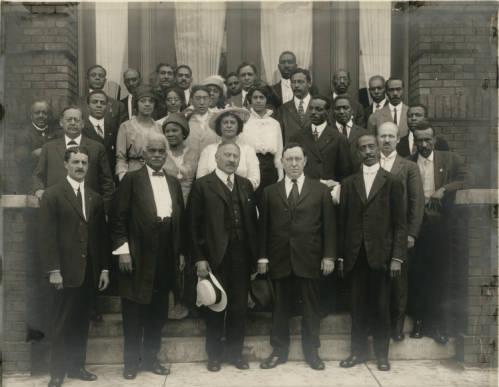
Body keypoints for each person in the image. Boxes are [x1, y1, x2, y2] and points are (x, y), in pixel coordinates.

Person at [112, 132, 185, 379]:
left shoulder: (174, 182)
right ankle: (131, 363)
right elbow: (118, 219)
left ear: (166, 155)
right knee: (134, 311)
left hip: (165, 251)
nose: (156, 155)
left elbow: (180, 220)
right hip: (138, 251)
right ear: (144, 155)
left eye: (160, 151)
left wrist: (180, 252)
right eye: (152, 151)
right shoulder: (131, 180)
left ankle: (151, 359)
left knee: (157, 312)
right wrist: (123, 252)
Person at [258, 143, 336, 371]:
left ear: (305, 162)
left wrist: (329, 256)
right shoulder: (270, 192)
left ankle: (312, 352)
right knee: (280, 307)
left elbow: (329, 227)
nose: (293, 164)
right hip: (279, 258)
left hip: (310, 258)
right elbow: (263, 227)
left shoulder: (320, 190)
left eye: (297, 159)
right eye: (289, 159)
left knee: (311, 308)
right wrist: (262, 257)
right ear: (281, 162)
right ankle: (278, 351)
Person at [39, 146, 109, 387]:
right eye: (76, 162)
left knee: (81, 322)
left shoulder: (94, 197)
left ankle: (77, 367)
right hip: (64, 272)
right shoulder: (53, 195)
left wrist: (104, 269)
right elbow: (47, 236)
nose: (80, 166)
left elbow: (100, 237)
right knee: (61, 323)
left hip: (88, 271)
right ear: (66, 165)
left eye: (84, 162)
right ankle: (57, 372)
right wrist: (54, 270)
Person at [338, 134, 406, 372]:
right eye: (362, 147)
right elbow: (342, 222)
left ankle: (382, 356)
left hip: (382, 256)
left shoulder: (393, 181)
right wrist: (341, 256)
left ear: (378, 149)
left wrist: (397, 257)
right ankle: (357, 353)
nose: (367, 151)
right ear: (357, 152)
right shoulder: (348, 183)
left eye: (371, 146)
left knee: (381, 307)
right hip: (356, 255)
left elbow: (400, 223)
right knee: (357, 308)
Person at [189, 142, 258, 372]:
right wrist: (199, 257)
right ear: (216, 158)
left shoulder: (246, 185)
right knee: (216, 305)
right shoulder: (202, 186)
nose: (231, 159)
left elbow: (252, 223)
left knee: (239, 308)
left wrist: (255, 257)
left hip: (242, 256)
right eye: (227, 155)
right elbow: (193, 225)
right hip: (214, 256)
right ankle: (214, 356)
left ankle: (235, 354)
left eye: (235, 156)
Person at [408, 122, 466, 343]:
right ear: (414, 141)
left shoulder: (449, 159)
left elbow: (466, 179)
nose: (423, 144)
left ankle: (437, 326)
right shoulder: (408, 162)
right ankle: (419, 322)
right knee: (417, 276)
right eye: (419, 140)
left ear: (434, 139)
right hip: (416, 228)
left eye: (427, 140)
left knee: (439, 276)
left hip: (441, 227)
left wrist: (445, 189)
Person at [377, 122, 425, 341]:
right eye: (382, 136)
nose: (386, 140)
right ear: (377, 139)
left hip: (400, 233)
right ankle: (379, 326)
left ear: (398, 140)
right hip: (376, 236)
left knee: (399, 282)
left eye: (391, 136)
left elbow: (416, 202)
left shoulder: (408, 167)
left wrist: (412, 234)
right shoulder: (369, 163)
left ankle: (397, 326)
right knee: (378, 282)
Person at [33, 106, 114, 210]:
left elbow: (107, 183)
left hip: (88, 209)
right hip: (56, 207)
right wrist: (38, 190)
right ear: (61, 123)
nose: (72, 123)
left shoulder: (97, 148)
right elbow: (37, 175)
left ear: (83, 124)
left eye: (76, 120)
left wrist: (104, 210)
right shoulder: (49, 148)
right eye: (69, 120)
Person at [291, 95, 352, 186]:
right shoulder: (297, 137)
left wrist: (337, 187)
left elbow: (345, 173)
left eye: (318, 109)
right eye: (311, 108)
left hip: (328, 191)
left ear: (328, 112)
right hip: (304, 190)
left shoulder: (339, 138)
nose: (313, 112)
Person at [240, 82, 283, 206]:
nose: (258, 101)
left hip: (270, 169)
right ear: (250, 100)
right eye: (255, 97)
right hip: (251, 167)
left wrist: (280, 176)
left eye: (261, 97)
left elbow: (279, 152)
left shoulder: (274, 124)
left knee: (269, 204)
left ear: (266, 100)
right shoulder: (244, 122)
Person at [196, 108, 260, 190]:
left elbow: (255, 179)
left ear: (238, 126)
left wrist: (236, 191)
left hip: (241, 196)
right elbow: (200, 178)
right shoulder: (208, 150)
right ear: (219, 126)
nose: (229, 125)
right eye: (225, 122)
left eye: (232, 122)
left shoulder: (248, 150)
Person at [115, 85, 162, 180]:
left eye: (151, 101)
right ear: (136, 104)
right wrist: (123, 178)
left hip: (154, 172)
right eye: (143, 101)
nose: (147, 104)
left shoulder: (158, 127)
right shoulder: (126, 127)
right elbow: (121, 158)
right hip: (133, 172)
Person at [15, 100, 61, 192]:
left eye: (44, 113)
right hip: (30, 184)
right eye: (37, 113)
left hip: (52, 183)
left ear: (49, 115)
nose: (41, 116)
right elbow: (22, 160)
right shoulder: (23, 135)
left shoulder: (56, 133)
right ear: (31, 115)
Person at [162, 113, 199, 204]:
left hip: (190, 202)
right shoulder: (161, 154)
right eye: (167, 131)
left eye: (174, 130)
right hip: (166, 201)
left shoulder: (194, 154)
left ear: (183, 132)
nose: (170, 134)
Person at [82, 90, 119, 175]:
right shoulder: (82, 128)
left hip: (109, 176)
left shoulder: (114, 128)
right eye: (95, 102)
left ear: (107, 106)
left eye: (102, 103)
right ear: (88, 106)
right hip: (89, 176)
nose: (99, 105)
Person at [332, 95, 370, 172]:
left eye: (345, 108)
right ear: (333, 111)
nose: (341, 112)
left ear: (352, 110)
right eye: (338, 108)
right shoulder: (327, 133)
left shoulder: (364, 133)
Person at [83, 65, 127, 129]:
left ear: (105, 80)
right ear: (87, 79)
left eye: (101, 76)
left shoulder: (118, 106)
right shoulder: (77, 103)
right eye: (93, 75)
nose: (97, 78)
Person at [276, 68, 312, 144]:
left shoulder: (320, 106)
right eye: (293, 82)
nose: (296, 85)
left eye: (300, 82)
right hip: (291, 154)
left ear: (309, 83)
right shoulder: (283, 109)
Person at [185, 85, 219, 155]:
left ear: (210, 100)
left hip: (211, 162)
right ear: (191, 101)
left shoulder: (217, 119)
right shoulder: (185, 120)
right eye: (198, 98)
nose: (202, 102)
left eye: (205, 98)